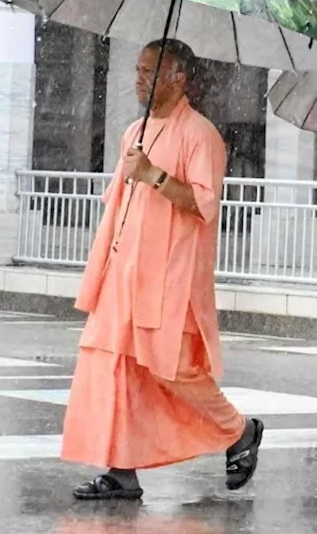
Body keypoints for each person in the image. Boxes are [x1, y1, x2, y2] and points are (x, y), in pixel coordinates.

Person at [61, 39, 262, 500]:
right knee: (116, 369)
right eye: (138, 69)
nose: (140, 79)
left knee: (175, 369)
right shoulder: (134, 132)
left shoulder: (200, 134)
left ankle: (240, 430)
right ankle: (120, 470)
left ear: (179, 78)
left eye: (151, 71)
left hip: (171, 274)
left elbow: (204, 205)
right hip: (124, 272)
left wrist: (153, 174)